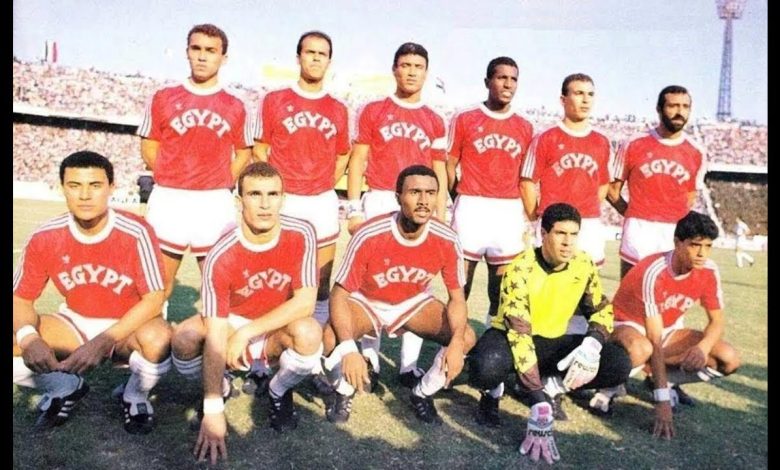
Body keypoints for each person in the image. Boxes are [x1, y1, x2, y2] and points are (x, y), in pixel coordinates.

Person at [170, 163, 322, 463]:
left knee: (309, 332)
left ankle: (278, 389)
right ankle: (221, 386)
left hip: (277, 323)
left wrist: (247, 333)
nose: (265, 204)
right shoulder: (220, 254)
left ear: (283, 199)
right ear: (239, 201)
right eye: (255, 194)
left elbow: (305, 303)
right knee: (184, 338)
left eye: (273, 194)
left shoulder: (302, 233)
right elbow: (216, 332)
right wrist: (213, 409)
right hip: (232, 322)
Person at [13, 151, 171, 435]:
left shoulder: (136, 231)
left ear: (111, 188)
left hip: (129, 326)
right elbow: (20, 298)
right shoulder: (45, 236)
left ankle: (134, 396)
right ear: (62, 188)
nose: (85, 195)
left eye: (95, 185)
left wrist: (103, 341)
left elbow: (154, 299)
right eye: (75, 185)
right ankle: (65, 387)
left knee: (158, 340)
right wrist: (29, 337)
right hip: (75, 321)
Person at [467, 203, 631, 464]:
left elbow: (601, 309)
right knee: (485, 366)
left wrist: (593, 342)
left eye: (573, 234)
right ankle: (495, 392)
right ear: (543, 234)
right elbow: (520, 335)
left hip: (552, 340)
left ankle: (552, 385)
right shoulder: (520, 268)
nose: (568, 242)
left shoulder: (584, 263)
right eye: (560, 234)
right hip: (513, 338)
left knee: (618, 363)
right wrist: (538, 401)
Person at [321, 165, 476, 425]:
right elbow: (339, 295)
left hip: (412, 302)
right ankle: (343, 391)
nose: (424, 200)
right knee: (329, 337)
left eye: (431, 193)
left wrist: (457, 342)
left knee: (466, 336)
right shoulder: (370, 233)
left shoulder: (447, 238)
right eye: (415, 192)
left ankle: (423, 392)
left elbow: (457, 298)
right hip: (367, 300)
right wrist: (348, 348)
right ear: (398, 197)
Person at [345, 42, 449, 389]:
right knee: (370, 282)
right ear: (394, 69)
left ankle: (408, 366)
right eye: (405, 65)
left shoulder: (434, 119)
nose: (411, 72)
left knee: (417, 282)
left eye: (418, 66)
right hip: (379, 197)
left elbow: (439, 169)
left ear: (426, 72)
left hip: (419, 203)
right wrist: (354, 207)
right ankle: (371, 359)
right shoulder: (374, 110)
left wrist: (441, 213)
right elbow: (358, 159)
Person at [594, 211, 740, 439]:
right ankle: (607, 387)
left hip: (666, 330)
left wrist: (702, 348)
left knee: (728, 358)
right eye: (695, 245)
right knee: (642, 349)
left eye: (708, 246)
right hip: (626, 324)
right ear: (677, 242)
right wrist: (661, 402)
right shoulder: (654, 270)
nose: (702, 253)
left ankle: (663, 379)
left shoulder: (709, 270)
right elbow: (654, 339)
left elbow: (717, 321)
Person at [137, 23, 254, 305]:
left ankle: (218, 335)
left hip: (213, 202)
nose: (202, 56)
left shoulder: (235, 105)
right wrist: (169, 175)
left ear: (223, 58)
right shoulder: (164, 97)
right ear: (187, 52)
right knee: (158, 284)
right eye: (196, 48)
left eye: (211, 51)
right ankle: (153, 335)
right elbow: (149, 145)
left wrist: (224, 181)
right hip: (169, 198)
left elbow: (244, 152)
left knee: (220, 284)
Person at [252, 29, 349, 332]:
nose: (316, 59)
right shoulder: (275, 100)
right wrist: (278, 189)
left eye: (322, 54)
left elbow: (343, 155)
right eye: (310, 52)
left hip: (321, 200)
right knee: (275, 277)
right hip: (285, 200)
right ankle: (264, 349)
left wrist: (323, 183)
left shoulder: (338, 108)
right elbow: (260, 148)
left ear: (329, 61)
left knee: (321, 280)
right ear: (298, 57)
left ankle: (314, 346)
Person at [446, 56, 534, 325]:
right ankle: (451, 342)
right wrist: (459, 196)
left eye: (513, 79)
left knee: (501, 290)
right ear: (487, 81)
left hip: (507, 210)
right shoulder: (465, 118)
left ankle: (490, 341)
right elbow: (449, 165)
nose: (508, 84)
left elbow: (526, 177)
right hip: (471, 206)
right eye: (501, 77)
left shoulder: (525, 126)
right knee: (460, 286)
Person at [608, 85, 706, 278]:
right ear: (659, 109)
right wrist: (632, 214)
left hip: (675, 233)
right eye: (673, 106)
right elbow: (612, 191)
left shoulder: (696, 152)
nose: (680, 112)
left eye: (685, 106)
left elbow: (690, 197)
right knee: (631, 291)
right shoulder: (634, 143)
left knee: (671, 292)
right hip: (639, 229)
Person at [520, 73, 611, 268]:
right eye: (578, 93)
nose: (586, 100)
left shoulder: (601, 142)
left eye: (590, 94)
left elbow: (603, 184)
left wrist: (588, 208)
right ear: (563, 100)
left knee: (588, 281)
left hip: (588, 223)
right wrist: (537, 219)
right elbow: (527, 182)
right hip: (554, 222)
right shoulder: (546, 138)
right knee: (548, 279)